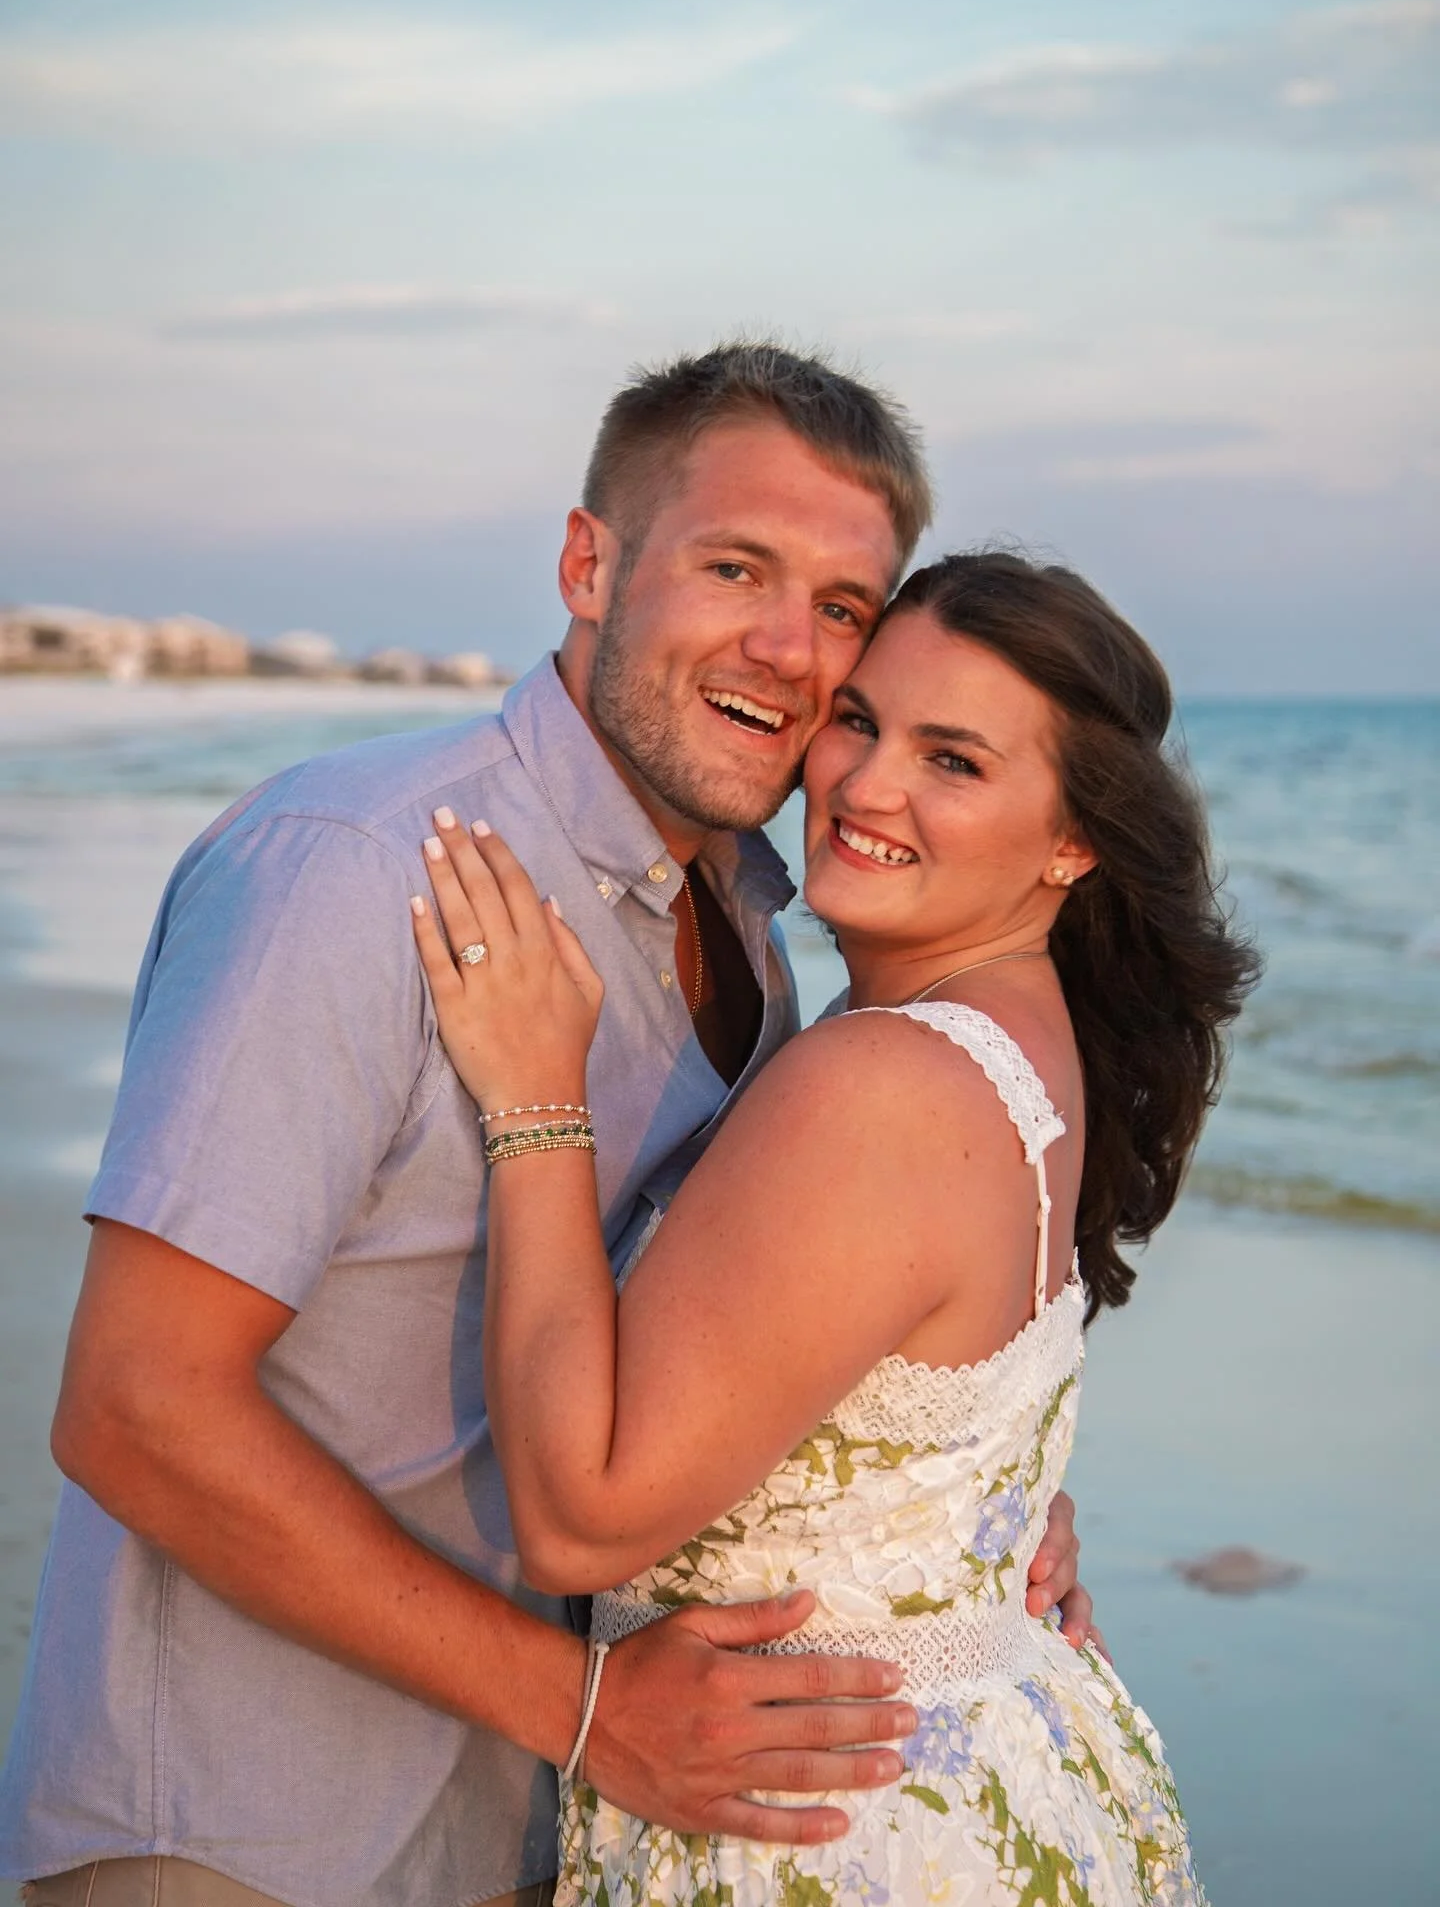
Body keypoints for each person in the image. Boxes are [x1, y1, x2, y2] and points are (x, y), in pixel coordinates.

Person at [0, 347, 1093, 1907]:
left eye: (842, 608)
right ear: (592, 564)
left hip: (545, 1835)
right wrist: (581, 1711)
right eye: (735, 568)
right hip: (255, 1837)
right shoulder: (363, 869)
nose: (788, 651)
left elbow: (748, 1340)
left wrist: (964, 1513)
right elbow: (133, 1408)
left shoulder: (759, 926)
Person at [408, 549, 1260, 1904]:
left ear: (1074, 839)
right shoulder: (1024, 1050)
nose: (866, 787)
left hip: (824, 1832)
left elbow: (581, 1524)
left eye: (955, 761)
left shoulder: (882, 1083)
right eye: (859, 722)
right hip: (981, 1773)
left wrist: (536, 1101)